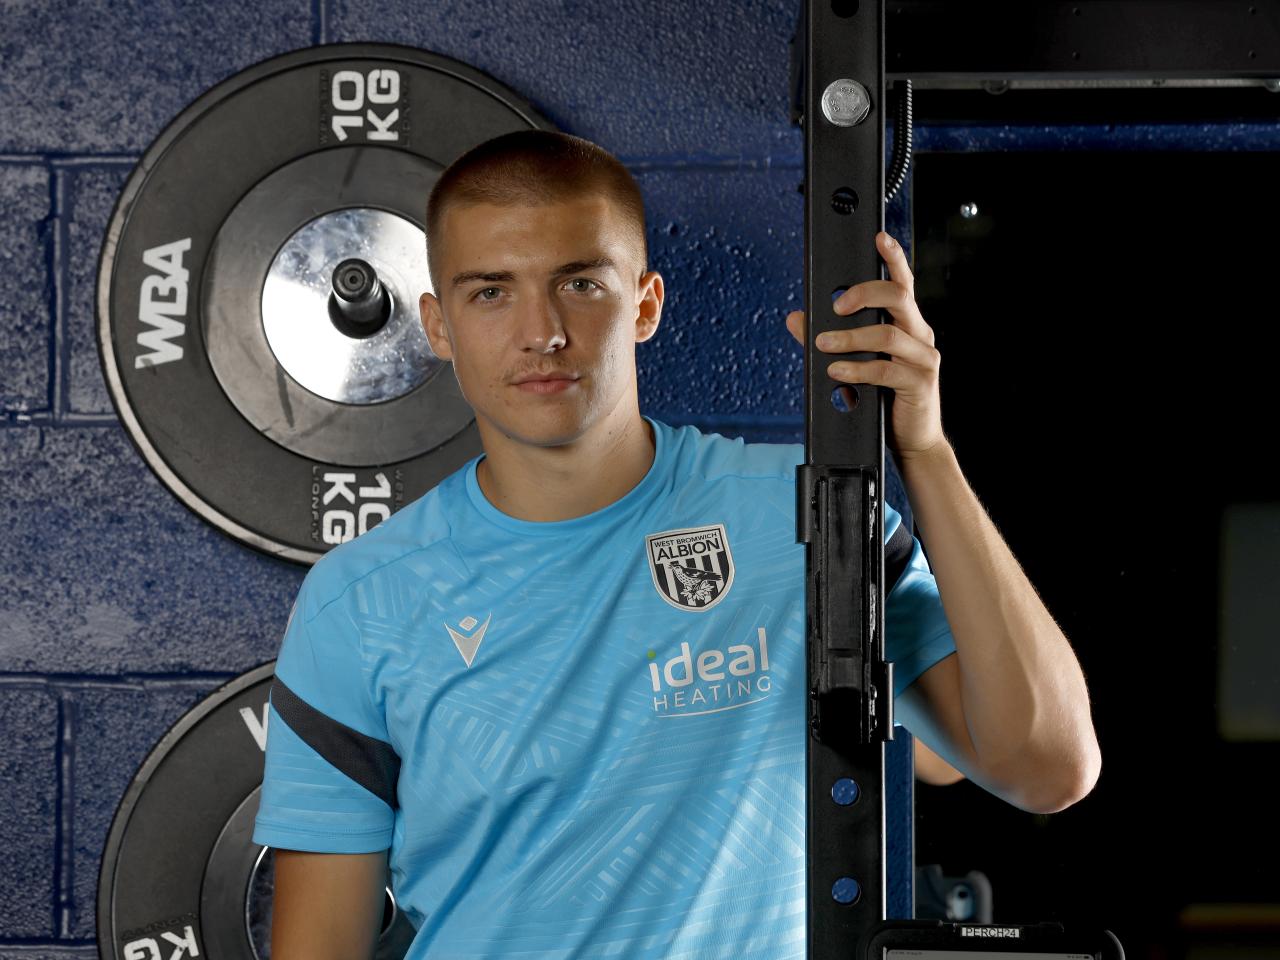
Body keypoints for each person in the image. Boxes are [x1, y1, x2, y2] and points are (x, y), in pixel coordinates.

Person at [252, 130, 1101, 959]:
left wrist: (924, 450)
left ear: (646, 304)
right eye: (490, 293)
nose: (540, 330)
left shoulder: (804, 516)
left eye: (580, 284)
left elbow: (1047, 767)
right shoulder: (360, 601)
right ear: (437, 326)